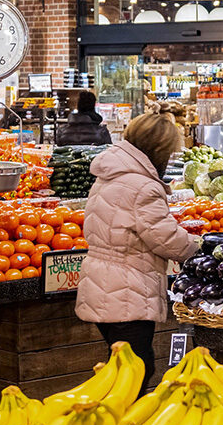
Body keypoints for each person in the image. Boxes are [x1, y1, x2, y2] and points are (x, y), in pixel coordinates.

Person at [74, 113, 198, 390]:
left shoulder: (110, 173)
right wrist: (196, 249)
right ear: (157, 151)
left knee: (120, 369)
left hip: (102, 284)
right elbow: (165, 238)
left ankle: (113, 423)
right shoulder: (142, 186)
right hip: (127, 292)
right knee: (136, 371)